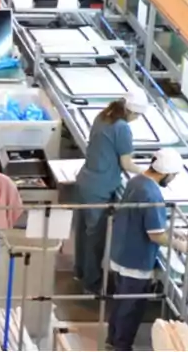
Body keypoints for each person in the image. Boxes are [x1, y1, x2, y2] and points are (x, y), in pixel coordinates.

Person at [106, 148, 188, 351]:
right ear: (167, 173)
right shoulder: (152, 194)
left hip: (121, 252)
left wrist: (170, 228)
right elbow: (155, 235)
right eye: (173, 176)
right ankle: (121, 346)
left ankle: (112, 340)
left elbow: (140, 219)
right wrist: (181, 245)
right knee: (130, 308)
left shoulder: (136, 181)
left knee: (119, 303)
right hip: (135, 260)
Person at [72, 89, 149, 295]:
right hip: (100, 188)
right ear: (132, 113)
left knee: (83, 232)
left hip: (86, 180)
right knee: (95, 238)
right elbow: (126, 163)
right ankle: (92, 284)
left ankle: (80, 272)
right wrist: (150, 172)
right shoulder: (122, 127)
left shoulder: (103, 116)